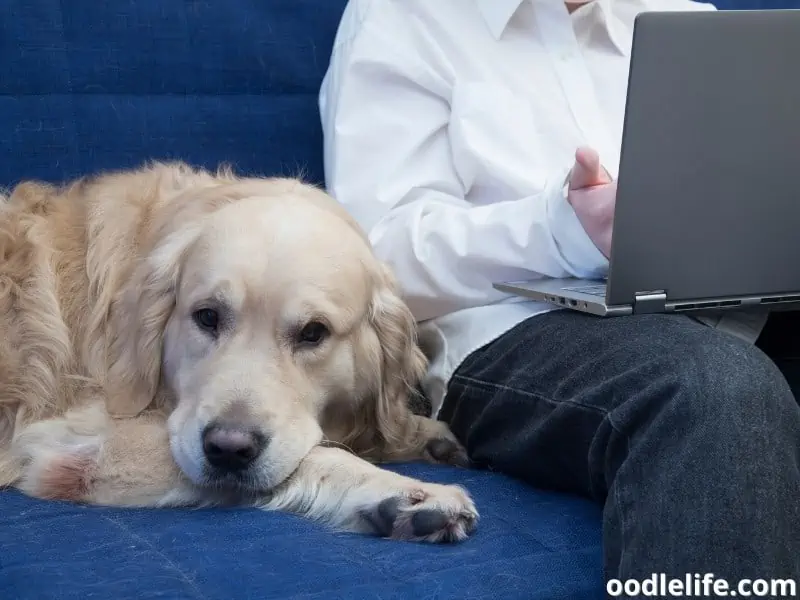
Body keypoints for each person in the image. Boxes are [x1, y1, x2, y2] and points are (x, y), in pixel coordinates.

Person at [319, 0, 800, 587]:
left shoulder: (678, 15)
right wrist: (560, 229)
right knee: (709, 387)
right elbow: (379, 259)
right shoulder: (399, 16)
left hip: (713, 303)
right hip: (504, 330)